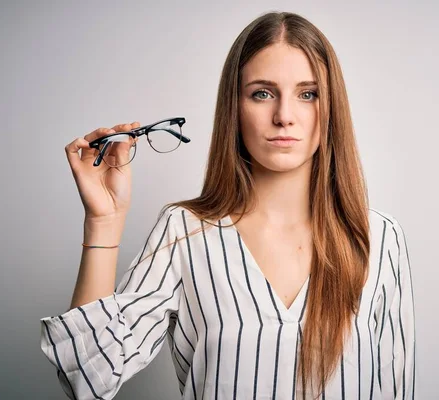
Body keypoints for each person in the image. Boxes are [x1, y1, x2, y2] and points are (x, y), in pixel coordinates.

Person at [39, 11, 416, 400]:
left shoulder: (379, 239)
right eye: (262, 93)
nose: (284, 116)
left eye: (308, 94)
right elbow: (88, 376)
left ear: (331, 106)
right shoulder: (183, 232)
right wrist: (104, 221)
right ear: (234, 108)